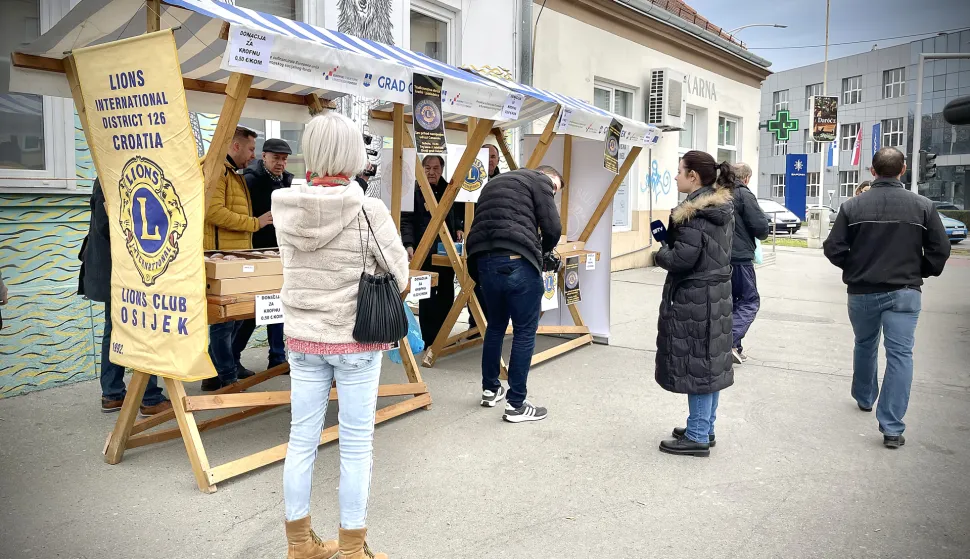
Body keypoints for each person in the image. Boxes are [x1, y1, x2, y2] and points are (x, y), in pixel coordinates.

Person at [274, 111, 408, 559]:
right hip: (355, 340)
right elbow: (400, 275)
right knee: (355, 446)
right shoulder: (368, 210)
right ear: (353, 154)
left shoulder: (286, 207)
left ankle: (299, 544)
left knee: (301, 440)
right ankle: (352, 549)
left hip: (302, 337)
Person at [823, 146, 950, 449]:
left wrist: (855, 268)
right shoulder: (923, 206)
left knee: (865, 343)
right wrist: (920, 270)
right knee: (901, 355)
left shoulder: (853, 207)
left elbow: (833, 247)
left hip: (863, 291)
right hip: (905, 292)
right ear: (903, 170)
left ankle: (865, 397)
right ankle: (892, 427)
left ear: (873, 171)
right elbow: (940, 249)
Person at [465, 166, 563, 423]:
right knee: (524, 331)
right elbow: (553, 228)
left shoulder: (497, 181)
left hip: (483, 261)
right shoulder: (541, 180)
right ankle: (516, 404)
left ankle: (490, 389)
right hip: (516, 260)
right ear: (548, 176)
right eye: (555, 189)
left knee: (495, 326)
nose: (553, 193)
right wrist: (543, 252)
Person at [655, 151, 736, 457]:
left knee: (698, 367)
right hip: (716, 295)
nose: (676, 177)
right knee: (709, 364)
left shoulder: (693, 214)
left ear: (693, 176)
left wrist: (660, 252)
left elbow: (682, 259)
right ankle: (704, 426)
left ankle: (698, 435)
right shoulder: (721, 207)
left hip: (696, 298)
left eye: (679, 171)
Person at [78, 178, 171, 415]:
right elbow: (107, 225)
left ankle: (113, 394)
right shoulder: (111, 175)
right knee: (142, 326)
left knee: (117, 328)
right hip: (122, 269)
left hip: (119, 268)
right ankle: (148, 397)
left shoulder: (111, 173)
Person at [202, 126, 271, 391]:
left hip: (235, 256)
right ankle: (227, 377)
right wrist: (255, 223)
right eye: (251, 149)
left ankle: (218, 372)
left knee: (240, 316)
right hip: (221, 258)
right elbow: (213, 212)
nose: (254, 155)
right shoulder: (218, 171)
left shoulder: (232, 172)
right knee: (224, 321)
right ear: (235, 146)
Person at [233, 138, 293, 376]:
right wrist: (256, 223)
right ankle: (232, 357)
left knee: (277, 305)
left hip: (278, 250)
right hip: (254, 251)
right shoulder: (250, 180)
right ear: (264, 156)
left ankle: (277, 357)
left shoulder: (285, 181)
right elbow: (238, 213)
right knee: (252, 311)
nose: (281, 163)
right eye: (276, 158)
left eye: (284, 159)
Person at [401, 155, 466, 347]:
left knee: (446, 293)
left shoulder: (450, 189)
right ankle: (429, 338)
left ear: (442, 169)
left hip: (446, 251)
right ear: (421, 169)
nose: (431, 172)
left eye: (436, 168)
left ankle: (442, 336)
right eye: (427, 168)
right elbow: (406, 221)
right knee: (426, 294)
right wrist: (408, 244)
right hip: (423, 251)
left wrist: (458, 228)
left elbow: (457, 213)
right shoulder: (413, 191)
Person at [729, 162, 769, 364]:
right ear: (745, 178)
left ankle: (735, 347)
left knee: (728, 302)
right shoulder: (743, 194)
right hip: (740, 258)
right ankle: (729, 342)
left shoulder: (717, 193)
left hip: (719, 257)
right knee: (749, 301)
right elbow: (761, 228)